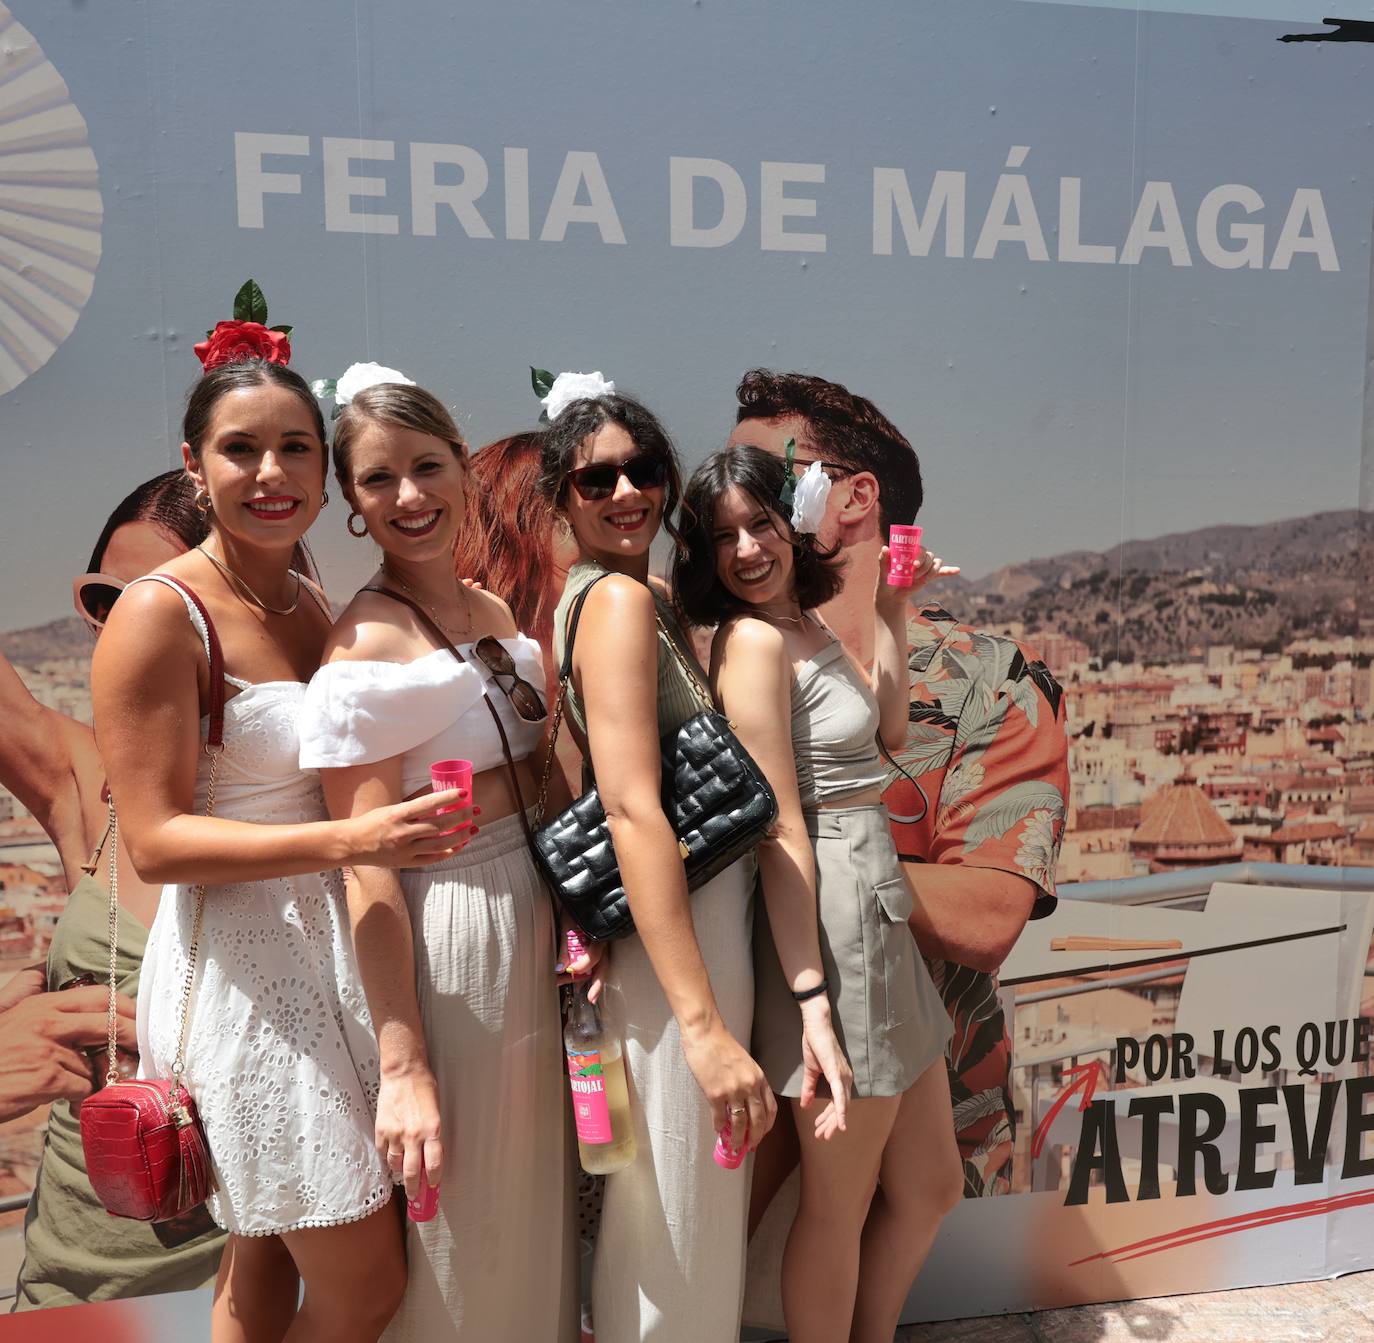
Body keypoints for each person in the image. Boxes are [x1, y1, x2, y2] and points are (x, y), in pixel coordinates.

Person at [92, 354, 466, 1343]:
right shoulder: (156, 613)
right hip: (242, 987)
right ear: (194, 462)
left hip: (327, 960)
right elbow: (156, 842)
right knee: (364, 1285)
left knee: (257, 1266)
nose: (271, 472)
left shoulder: (306, 596)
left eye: (295, 446)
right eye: (241, 448)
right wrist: (351, 836)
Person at [729, 370, 1069, 1208]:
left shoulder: (988, 682)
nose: (739, 498)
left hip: (926, 1114)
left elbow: (990, 912)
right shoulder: (717, 655)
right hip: (749, 1111)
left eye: (770, 475)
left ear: (855, 498)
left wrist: (805, 866)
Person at [299, 377, 580, 1341]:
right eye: (380, 479)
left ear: (464, 467)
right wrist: (404, 1062)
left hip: (525, 905)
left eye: (427, 467)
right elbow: (366, 867)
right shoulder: (366, 641)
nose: (410, 496)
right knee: (465, 1213)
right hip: (448, 925)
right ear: (352, 502)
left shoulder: (490, 607)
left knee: (528, 1198)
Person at [675, 444, 961, 1343]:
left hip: (874, 904)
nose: (749, 549)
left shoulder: (800, 622)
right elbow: (779, 831)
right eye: (725, 537)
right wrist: (811, 1004)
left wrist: (892, 607)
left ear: (791, 524)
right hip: (833, 920)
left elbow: (889, 725)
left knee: (931, 1185)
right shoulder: (755, 641)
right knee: (838, 1204)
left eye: (761, 523)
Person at [535, 374, 775, 1343]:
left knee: (667, 1210)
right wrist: (707, 1025)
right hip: (687, 940)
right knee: (682, 1209)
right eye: (598, 480)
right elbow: (632, 808)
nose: (627, 492)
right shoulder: (623, 607)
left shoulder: (618, 597)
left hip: (666, 934)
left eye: (644, 469)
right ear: (563, 498)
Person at [2, 470, 227, 1310]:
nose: (130, 628)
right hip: (69, 1285)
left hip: (240, 1288)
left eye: (169, 599)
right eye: (108, 600)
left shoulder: (319, 806)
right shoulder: (82, 779)